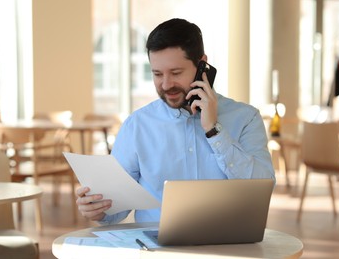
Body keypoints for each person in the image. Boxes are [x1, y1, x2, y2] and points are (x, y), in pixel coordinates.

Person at [76, 18, 275, 224]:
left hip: (228, 248)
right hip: (156, 250)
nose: (166, 84)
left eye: (176, 73)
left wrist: (214, 131)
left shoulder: (246, 118)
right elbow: (116, 207)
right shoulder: (138, 126)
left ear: (201, 64)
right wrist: (98, 210)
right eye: (157, 74)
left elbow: (262, 187)